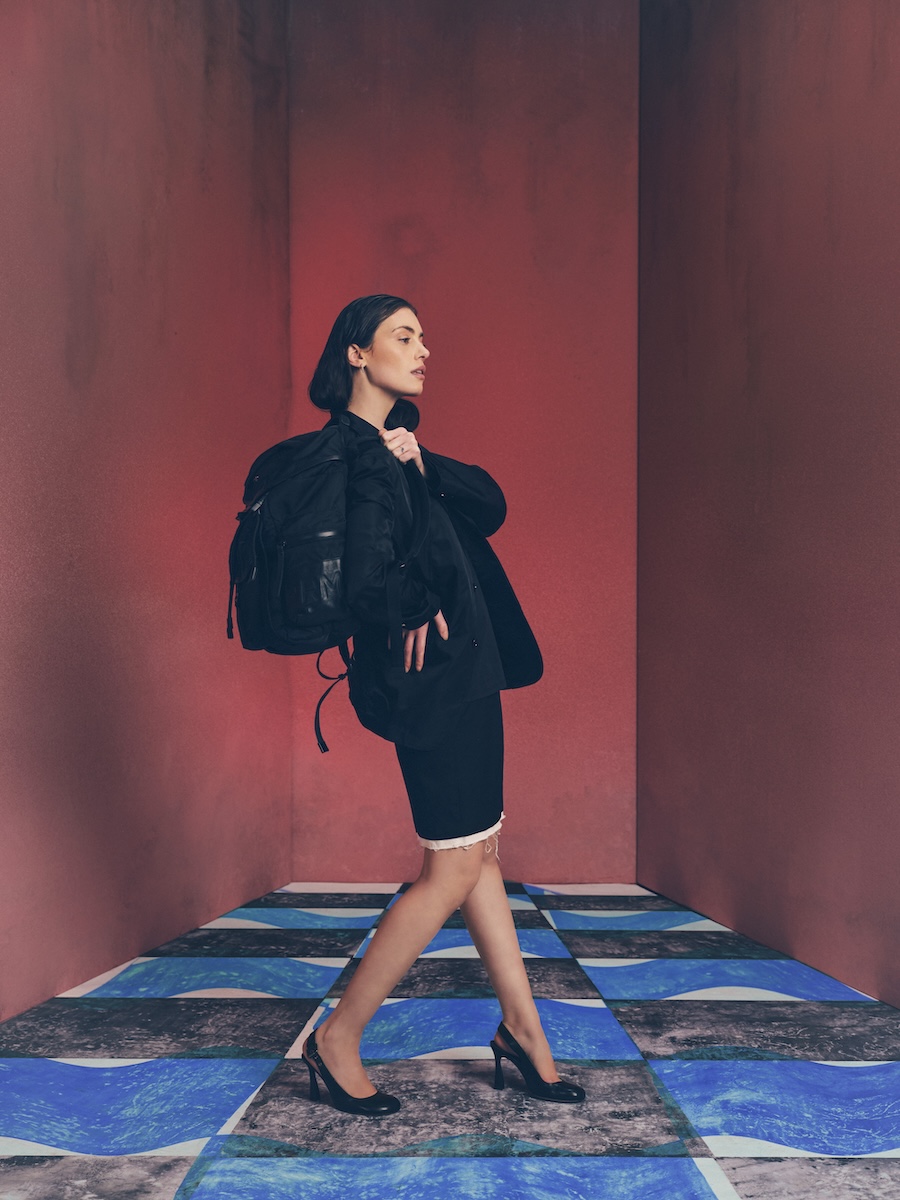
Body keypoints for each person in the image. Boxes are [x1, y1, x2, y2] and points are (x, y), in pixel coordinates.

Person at [301, 295, 585, 1115]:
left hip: (466, 671)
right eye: (404, 336)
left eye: (423, 335)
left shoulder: (391, 448)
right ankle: (337, 1039)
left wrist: (421, 461)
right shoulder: (350, 456)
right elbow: (361, 582)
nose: (424, 349)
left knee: (479, 851)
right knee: (453, 864)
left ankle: (523, 1032)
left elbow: (489, 506)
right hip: (430, 682)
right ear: (357, 353)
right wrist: (413, 604)